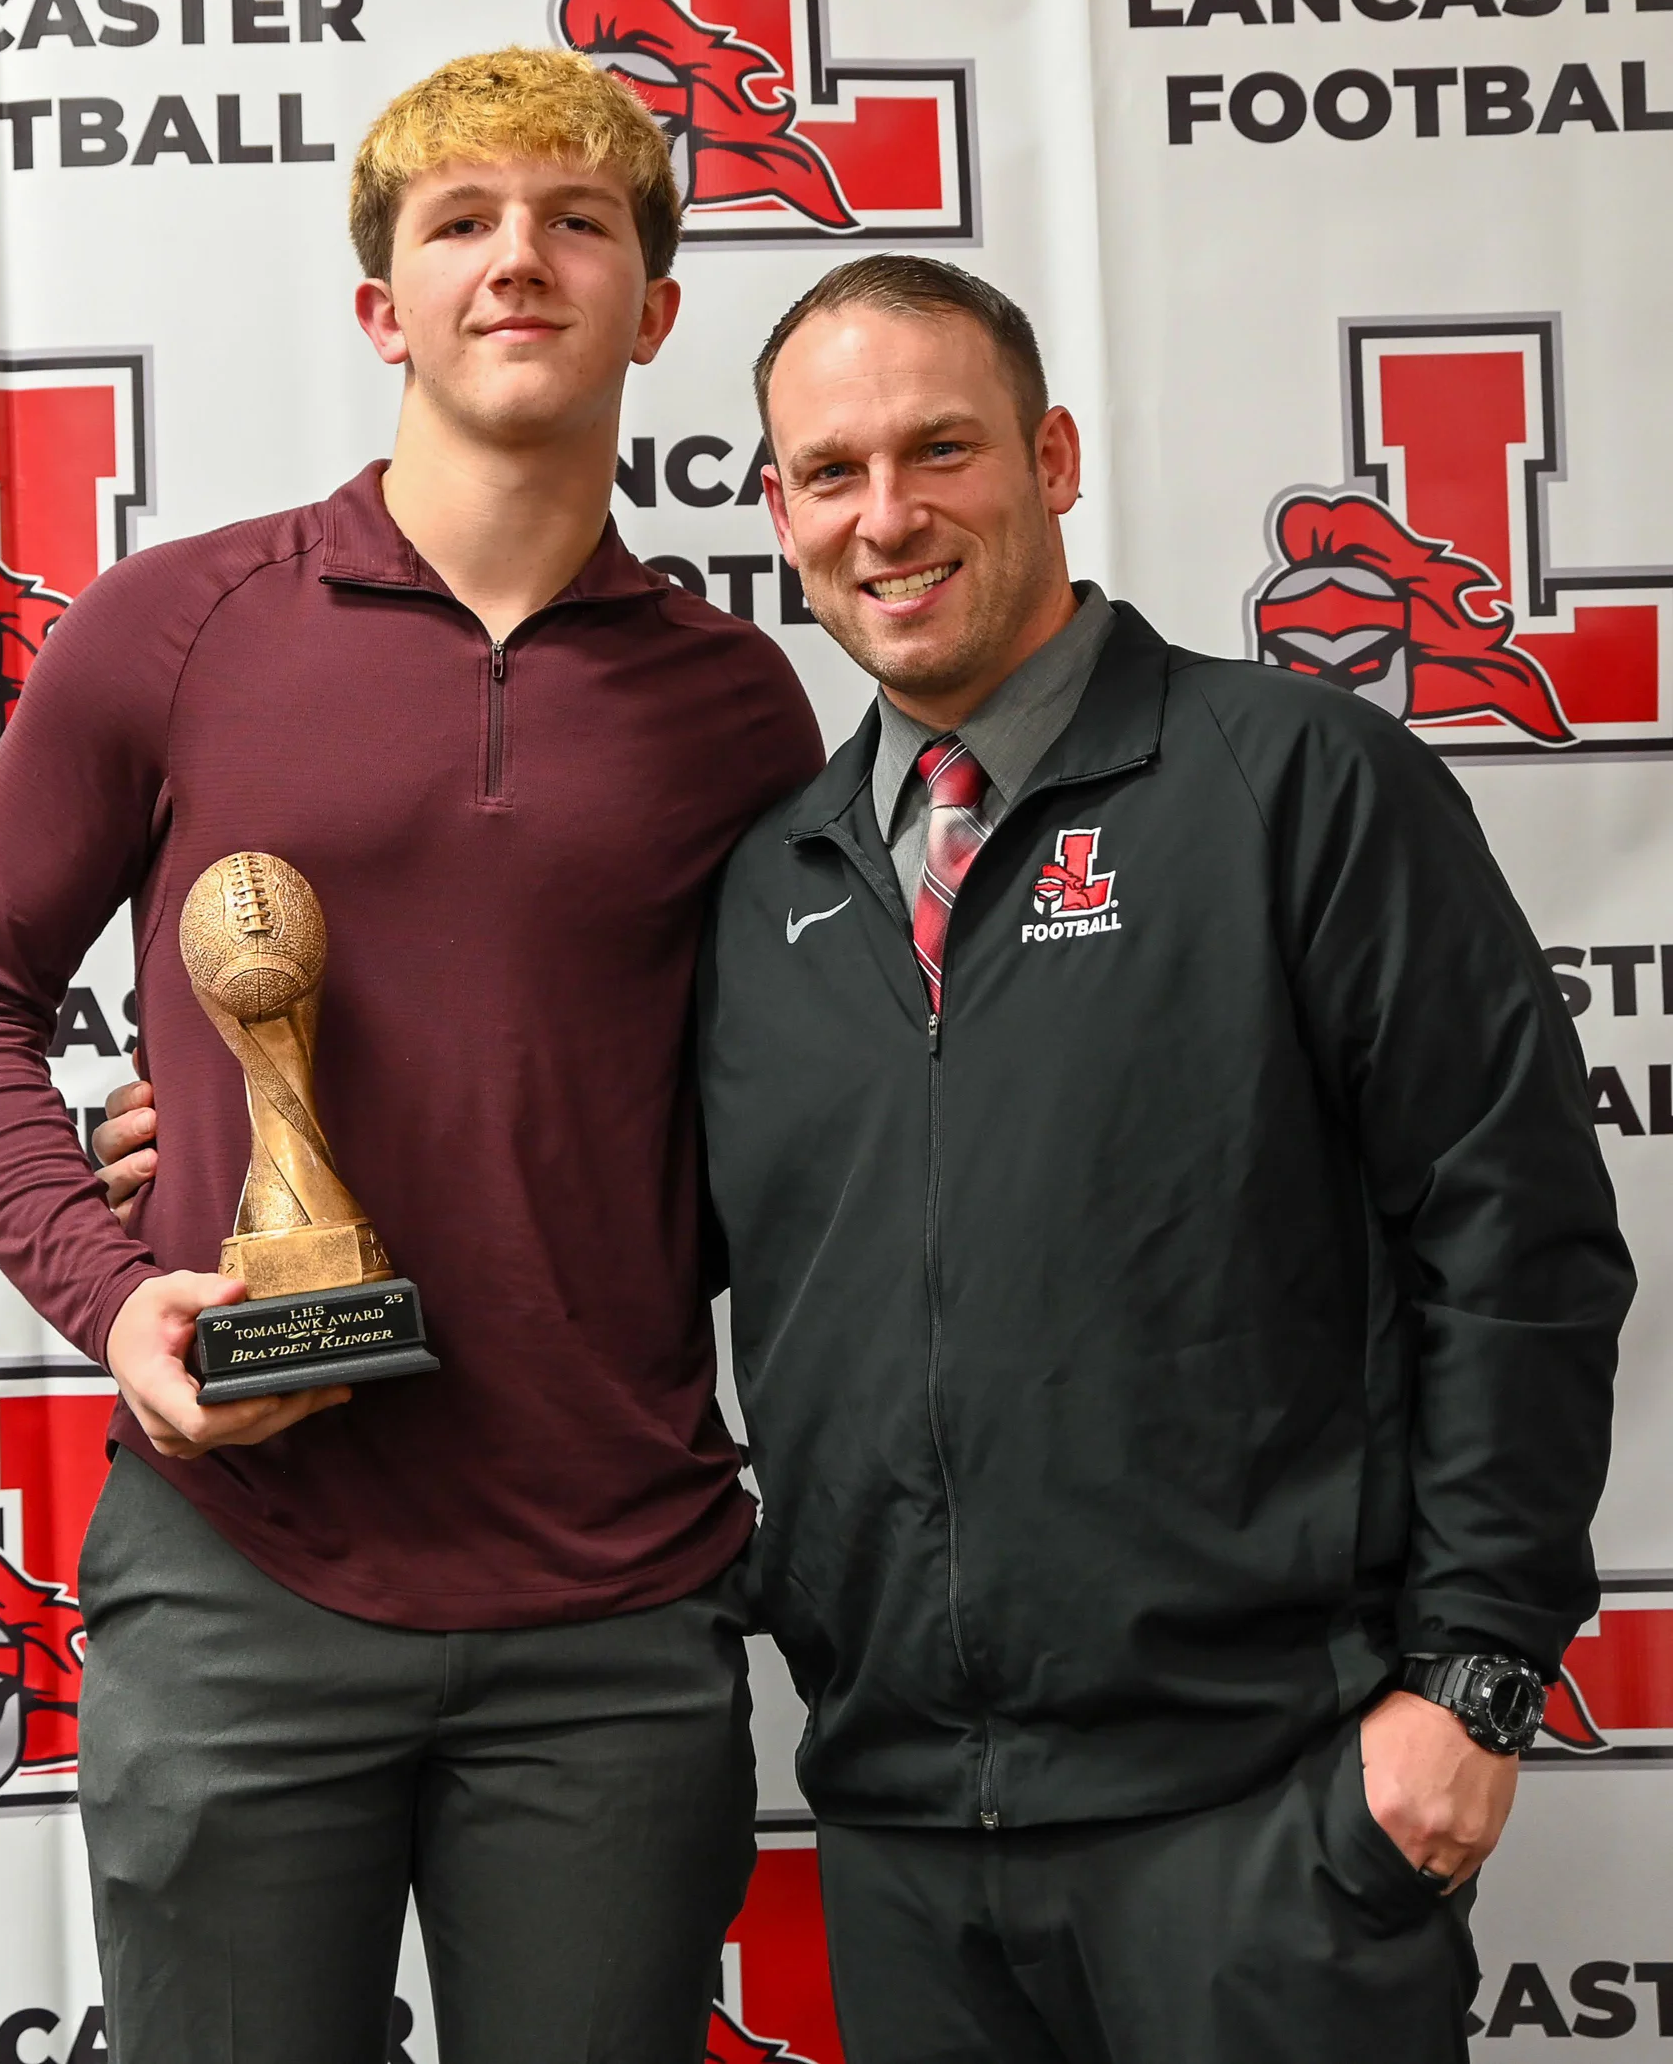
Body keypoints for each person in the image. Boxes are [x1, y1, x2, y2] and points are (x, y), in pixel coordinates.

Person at [0, 49, 822, 2064]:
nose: (521, 261)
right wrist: (114, 1290)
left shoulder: (741, 706)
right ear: (379, 307)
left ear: (654, 312)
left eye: (579, 222)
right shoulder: (175, 625)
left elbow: (796, 1121)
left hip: (616, 1594)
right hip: (245, 1574)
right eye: (461, 224)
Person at [689, 255, 1631, 2063]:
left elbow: (1521, 1248)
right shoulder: (766, 887)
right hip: (903, 1841)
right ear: (778, 511)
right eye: (831, 472)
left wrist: (1475, 1682)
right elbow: (597, 1233)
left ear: (1050, 457)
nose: (887, 517)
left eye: (940, 449)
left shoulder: (1298, 783)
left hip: (1267, 1824)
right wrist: (214, 1132)